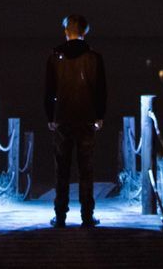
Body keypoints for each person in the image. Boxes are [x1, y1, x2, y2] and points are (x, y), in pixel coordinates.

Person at [44, 13, 107, 228]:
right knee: (86, 169)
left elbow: (49, 90)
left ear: (65, 32)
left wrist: (50, 115)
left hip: (62, 117)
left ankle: (60, 216)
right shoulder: (94, 58)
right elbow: (100, 90)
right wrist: (100, 115)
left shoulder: (55, 57)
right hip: (86, 117)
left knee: (61, 169)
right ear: (85, 31)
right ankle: (87, 216)